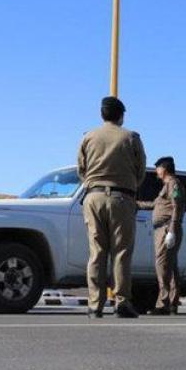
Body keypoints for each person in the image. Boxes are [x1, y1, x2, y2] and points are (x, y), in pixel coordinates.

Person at [77, 96, 146, 319]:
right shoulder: (131, 137)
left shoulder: (88, 137)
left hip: (93, 197)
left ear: (102, 114)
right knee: (121, 253)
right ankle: (122, 303)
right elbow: (141, 171)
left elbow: (82, 169)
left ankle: (94, 305)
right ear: (121, 116)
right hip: (121, 198)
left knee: (96, 252)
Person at [137, 157, 185, 315]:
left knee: (162, 266)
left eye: (157, 168)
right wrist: (137, 204)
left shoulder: (173, 183)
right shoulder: (166, 186)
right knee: (170, 267)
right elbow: (157, 205)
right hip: (162, 229)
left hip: (167, 228)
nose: (156, 171)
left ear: (164, 169)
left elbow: (176, 206)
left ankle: (163, 304)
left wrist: (171, 230)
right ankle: (171, 303)